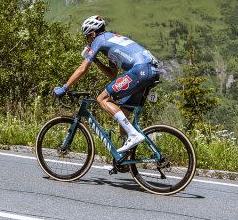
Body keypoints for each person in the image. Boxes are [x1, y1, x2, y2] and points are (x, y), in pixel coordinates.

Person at [54, 15, 160, 156]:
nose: (88, 41)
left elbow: (82, 69)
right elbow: (112, 75)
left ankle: (133, 136)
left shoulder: (99, 39)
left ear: (92, 34)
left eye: (87, 38)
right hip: (150, 70)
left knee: (102, 99)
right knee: (124, 118)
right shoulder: (110, 41)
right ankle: (125, 158)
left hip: (141, 70)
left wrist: (64, 87)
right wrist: (97, 61)